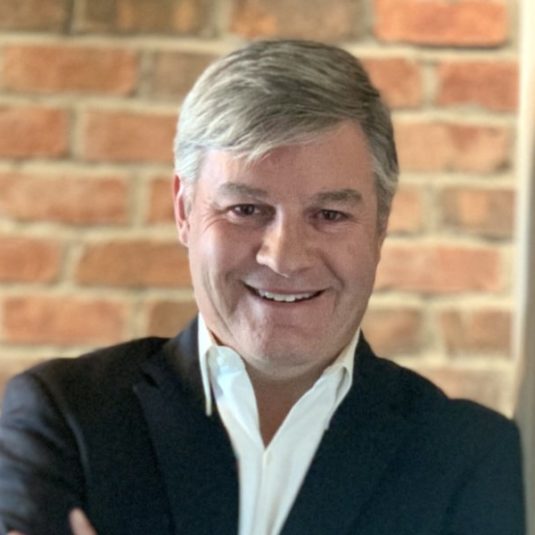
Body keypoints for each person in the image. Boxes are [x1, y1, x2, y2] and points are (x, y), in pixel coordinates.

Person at [0, 40, 525, 535]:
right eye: (246, 209)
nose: (285, 257)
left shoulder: (471, 456)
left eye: (330, 214)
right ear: (184, 210)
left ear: (380, 225)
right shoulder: (63, 420)